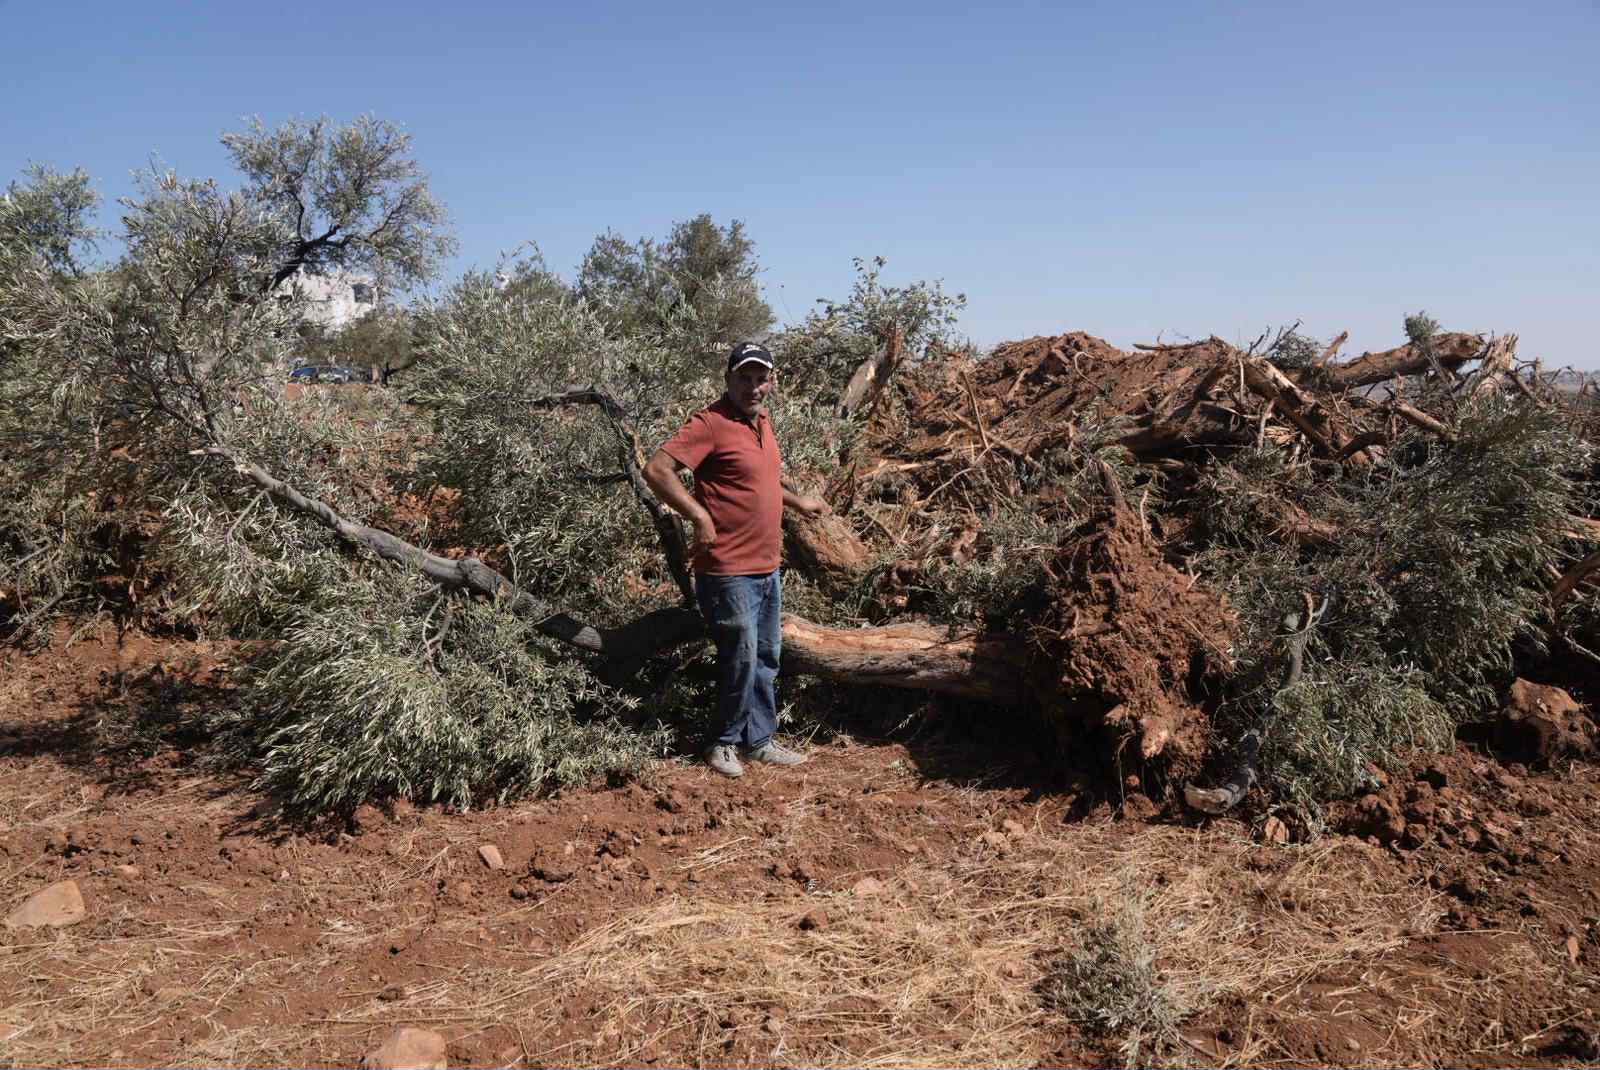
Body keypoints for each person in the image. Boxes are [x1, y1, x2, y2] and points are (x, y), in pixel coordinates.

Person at [643, 342, 831, 778]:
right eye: (743, 378)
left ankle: (760, 741)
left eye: (760, 378)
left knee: (766, 657)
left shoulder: (761, 422)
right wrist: (699, 515)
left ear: (772, 381)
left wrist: (798, 502)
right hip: (728, 569)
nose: (753, 387)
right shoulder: (710, 423)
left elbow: (758, 482)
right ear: (727, 379)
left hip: (767, 566)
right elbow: (656, 470)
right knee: (741, 657)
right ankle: (723, 742)